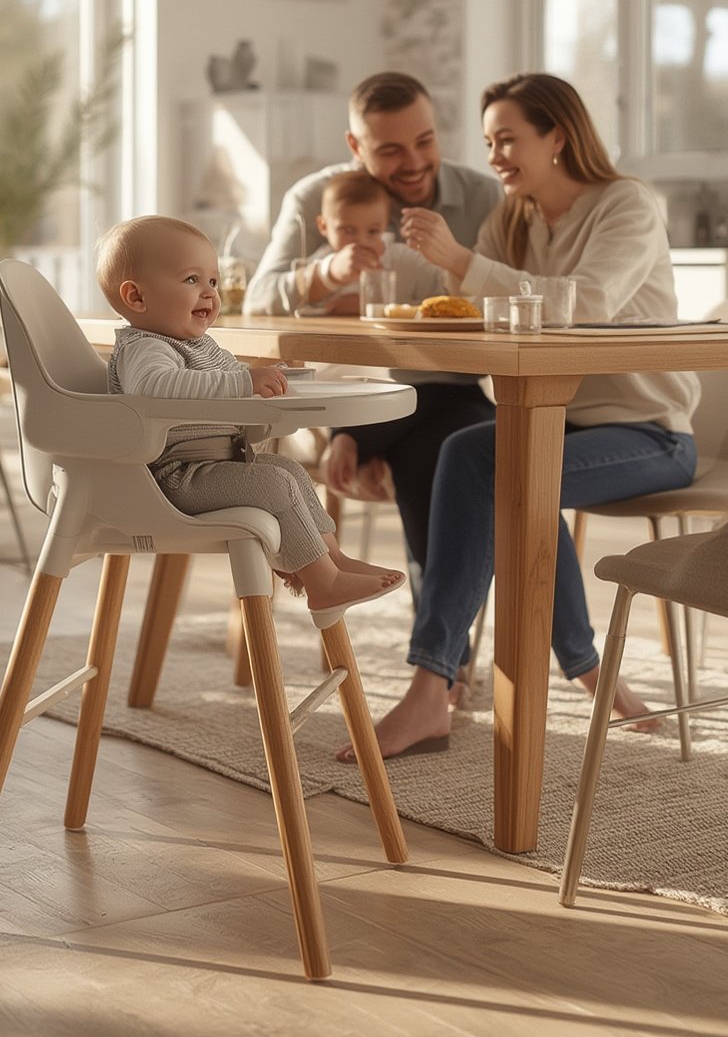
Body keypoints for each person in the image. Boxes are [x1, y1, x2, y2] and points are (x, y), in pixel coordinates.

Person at [337, 72, 700, 761]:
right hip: (562, 424)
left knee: (509, 468)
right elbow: (478, 312)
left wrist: (465, 262)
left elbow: (584, 304)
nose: (495, 155)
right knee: (469, 453)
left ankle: (478, 680)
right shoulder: (514, 221)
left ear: (558, 137)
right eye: (488, 142)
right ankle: (459, 684)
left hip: (651, 432)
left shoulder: (627, 205)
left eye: (508, 140)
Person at [244, 70, 501, 581]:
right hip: (352, 395)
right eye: (390, 150)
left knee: (448, 442)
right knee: (441, 449)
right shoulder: (320, 198)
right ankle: (440, 646)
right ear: (355, 146)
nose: (413, 163)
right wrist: (324, 273)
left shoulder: (483, 198)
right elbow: (257, 299)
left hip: (449, 389)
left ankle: (437, 642)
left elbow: (510, 300)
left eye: (425, 141)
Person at [96, 214, 406, 629]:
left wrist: (274, 380)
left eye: (213, 282)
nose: (208, 293)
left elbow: (234, 383)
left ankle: (333, 559)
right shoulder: (145, 348)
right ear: (136, 298)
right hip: (172, 477)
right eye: (191, 280)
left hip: (215, 466)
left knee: (290, 471)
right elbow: (155, 387)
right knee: (273, 485)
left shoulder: (202, 346)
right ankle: (323, 584)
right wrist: (244, 381)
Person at [294, 168, 445, 315]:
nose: (362, 241)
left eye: (373, 231)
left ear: (385, 224)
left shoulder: (407, 261)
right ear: (323, 226)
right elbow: (295, 308)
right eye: (348, 230)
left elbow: (444, 296)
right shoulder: (318, 266)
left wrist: (369, 305)